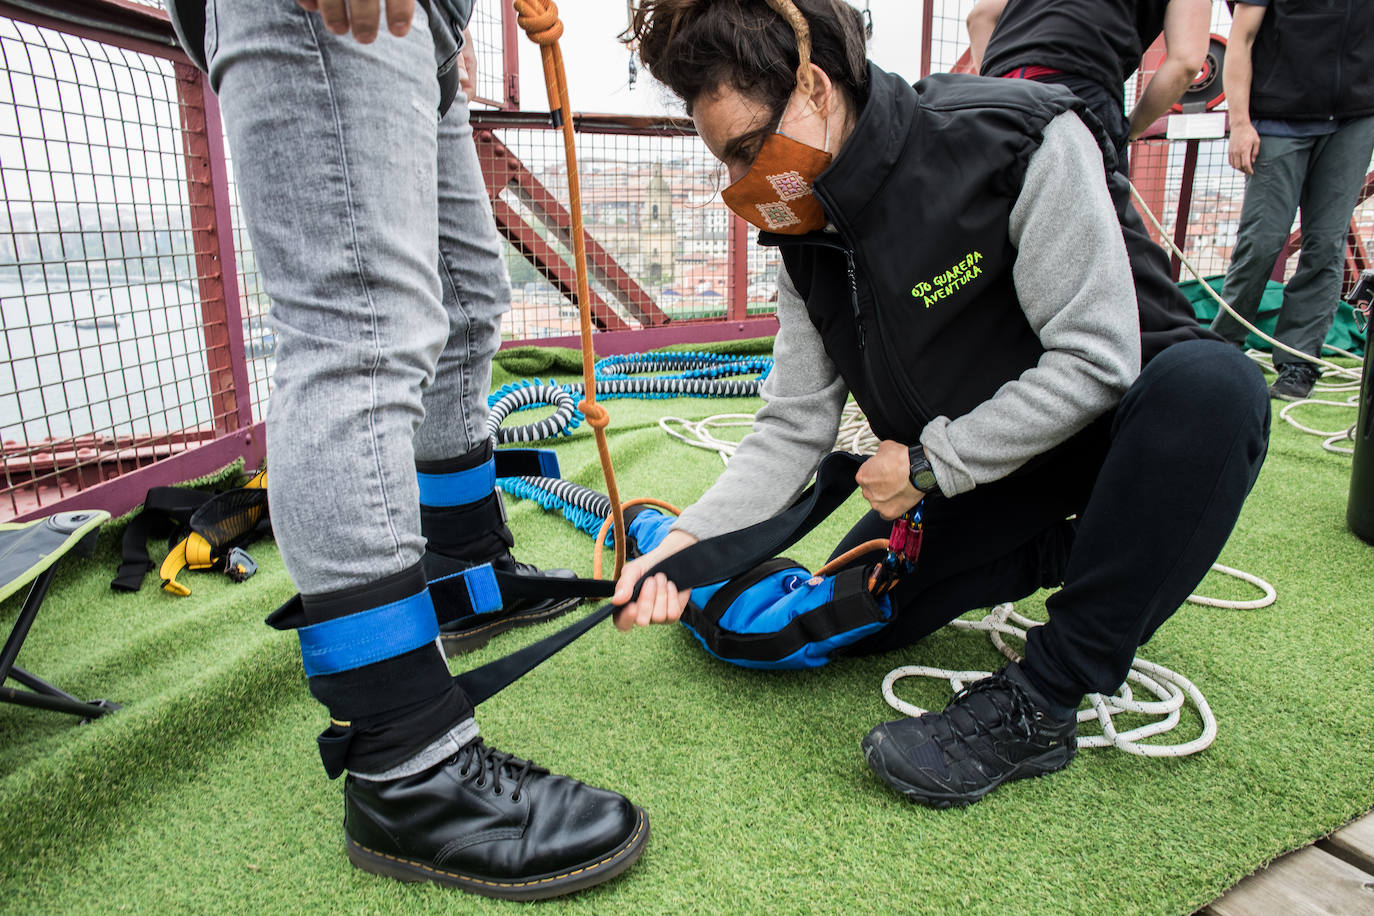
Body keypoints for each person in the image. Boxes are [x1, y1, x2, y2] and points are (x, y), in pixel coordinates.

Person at [614, 0, 1270, 809]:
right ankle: (1077, 551)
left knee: (1220, 386)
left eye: (748, 150)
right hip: (983, 471)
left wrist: (931, 465)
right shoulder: (798, 228)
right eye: (727, 162)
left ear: (814, 86)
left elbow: (1099, 360)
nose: (742, 182)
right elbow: (791, 428)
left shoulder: (1013, 139)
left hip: (1123, 439)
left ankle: (1045, 697)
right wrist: (685, 543)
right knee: (846, 619)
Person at [165, 0, 647, 900]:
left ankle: (461, 564)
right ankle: (405, 764)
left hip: (430, 28)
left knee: (466, 305)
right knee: (360, 328)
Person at [1208, 0, 1374, 401]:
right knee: (1262, 241)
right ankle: (1221, 347)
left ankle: (1298, 363)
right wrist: (1240, 123)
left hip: (1354, 120)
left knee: (1325, 245)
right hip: (1276, 121)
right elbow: (1241, 39)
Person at [967, 0, 1212, 173]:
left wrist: (997, 92)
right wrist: (1131, 130)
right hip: (1077, 85)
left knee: (994, 230)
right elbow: (1186, 62)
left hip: (999, 97)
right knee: (1092, 237)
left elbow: (980, 17)